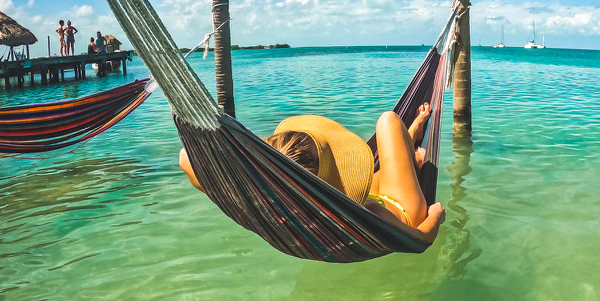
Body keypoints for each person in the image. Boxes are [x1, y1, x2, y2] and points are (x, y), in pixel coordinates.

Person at [178, 103, 445, 243]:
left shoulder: (260, 203)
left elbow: (186, 157)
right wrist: (434, 217)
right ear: (332, 178)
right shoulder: (367, 214)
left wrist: (258, 161)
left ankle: (411, 154)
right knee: (389, 121)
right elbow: (421, 238)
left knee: (384, 169)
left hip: (358, 202)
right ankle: (413, 146)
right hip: (401, 211)